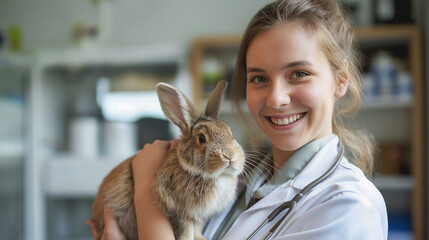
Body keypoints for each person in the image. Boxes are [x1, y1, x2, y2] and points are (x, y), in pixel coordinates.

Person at [91, 0, 388, 239]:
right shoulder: (244, 178)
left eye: (299, 74)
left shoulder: (349, 208)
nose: (276, 99)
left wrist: (146, 192)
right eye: (259, 78)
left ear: (340, 80)